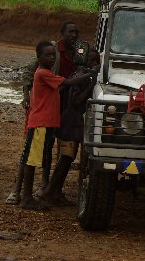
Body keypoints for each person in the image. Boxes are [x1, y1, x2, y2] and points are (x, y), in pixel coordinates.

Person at [6, 21, 80, 204]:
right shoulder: (51, 51)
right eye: (70, 32)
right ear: (61, 34)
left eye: (76, 32)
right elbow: (29, 72)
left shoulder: (80, 53)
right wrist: (27, 96)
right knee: (32, 152)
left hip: (65, 109)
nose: (74, 36)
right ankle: (19, 191)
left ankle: (49, 188)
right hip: (46, 109)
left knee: (58, 150)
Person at [19, 41, 95, 210]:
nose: (52, 57)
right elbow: (67, 83)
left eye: (53, 54)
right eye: (48, 55)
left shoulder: (45, 74)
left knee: (38, 158)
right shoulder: (43, 73)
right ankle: (26, 198)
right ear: (38, 57)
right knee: (31, 160)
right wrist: (92, 76)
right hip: (40, 123)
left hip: (46, 123)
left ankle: (31, 195)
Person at [40, 49, 100, 206]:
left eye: (97, 61)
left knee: (67, 158)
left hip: (70, 121)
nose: (96, 64)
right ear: (86, 61)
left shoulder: (78, 73)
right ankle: (49, 191)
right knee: (66, 158)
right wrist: (91, 85)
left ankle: (55, 192)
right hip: (71, 122)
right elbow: (76, 100)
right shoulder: (83, 76)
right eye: (93, 60)